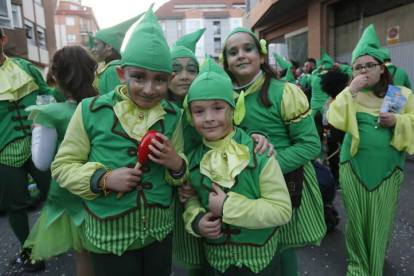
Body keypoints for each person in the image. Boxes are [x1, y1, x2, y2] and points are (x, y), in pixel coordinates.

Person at [51, 6, 188, 276]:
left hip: (158, 233)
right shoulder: (90, 110)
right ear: (122, 74)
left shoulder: (174, 115)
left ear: (169, 80)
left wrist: (176, 164)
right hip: (109, 236)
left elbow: (180, 173)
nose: (149, 89)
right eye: (139, 77)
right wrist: (103, 178)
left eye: (159, 80)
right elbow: (62, 167)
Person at [169, 28, 276, 276]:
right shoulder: (161, 115)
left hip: (251, 244)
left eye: (192, 69)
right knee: (194, 259)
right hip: (184, 201)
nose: (185, 76)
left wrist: (259, 141)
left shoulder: (248, 146)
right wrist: (183, 182)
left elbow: (235, 127)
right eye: (175, 69)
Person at [221, 27, 326, 276]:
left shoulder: (284, 92)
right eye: (233, 52)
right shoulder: (221, 95)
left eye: (248, 49)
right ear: (226, 62)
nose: (241, 56)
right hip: (237, 187)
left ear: (261, 55)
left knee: (281, 248)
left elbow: (310, 145)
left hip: (281, 183)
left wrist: (265, 168)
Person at [183, 54, 292, 275]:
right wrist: (196, 220)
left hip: (261, 262)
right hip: (217, 262)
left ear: (233, 110)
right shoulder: (193, 160)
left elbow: (281, 210)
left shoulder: (258, 153)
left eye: (218, 108)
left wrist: (228, 207)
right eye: (199, 111)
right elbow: (192, 197)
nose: (209, 118)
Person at [327, 24, 414, 276]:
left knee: (380, 222)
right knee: (356, 221)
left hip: (389, 169)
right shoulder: (349, 94)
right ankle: (358, 267)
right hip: (352, 166)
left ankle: (373, 267)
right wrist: (350, 90)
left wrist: (398, 121)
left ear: (381, 67)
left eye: (369, 65)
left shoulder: (400, 94)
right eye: (358, 67)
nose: (363, 71)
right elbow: (334, 118)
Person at [24, 46, 98, 276]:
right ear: (93, 73)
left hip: (71, 198)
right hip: (108, 191)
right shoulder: (107, 106)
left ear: (55, 78)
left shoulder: (50, 114)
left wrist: (38, 129)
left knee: (84, 259)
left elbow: (42, 162)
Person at [0, 27, 55, 272]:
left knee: (55, 194)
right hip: (4, 152)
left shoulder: (25, 67)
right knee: (15, 205)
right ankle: (28, 250)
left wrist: (45, 116)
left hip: (38, 140)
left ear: (2, 39)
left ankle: (60, 239)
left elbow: (47, 95)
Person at [91, 13, 144, 95]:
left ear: (108, 46)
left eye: (96, 45)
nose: (93, 49)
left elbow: (117, 103)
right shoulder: (110, 68)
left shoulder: (113, 70)